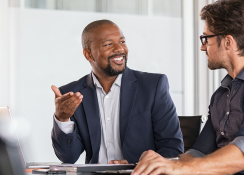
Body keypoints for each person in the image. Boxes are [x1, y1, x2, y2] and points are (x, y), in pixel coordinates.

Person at [132, 0, 244, 174]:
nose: (202, 46)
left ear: (228, 42)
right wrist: (154, 164)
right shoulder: (220, 95)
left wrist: (179, 168)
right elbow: (197, 154)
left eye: (206, 38)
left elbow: (243, 153)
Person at [51, 20, 184, 164]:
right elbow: (68, 157)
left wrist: (137, 166)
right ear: (88, 54)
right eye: (108, 44)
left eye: (122, 41)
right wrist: (62, 119)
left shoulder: (153, 86)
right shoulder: (72, 94)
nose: (119, 48)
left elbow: (172, 149)